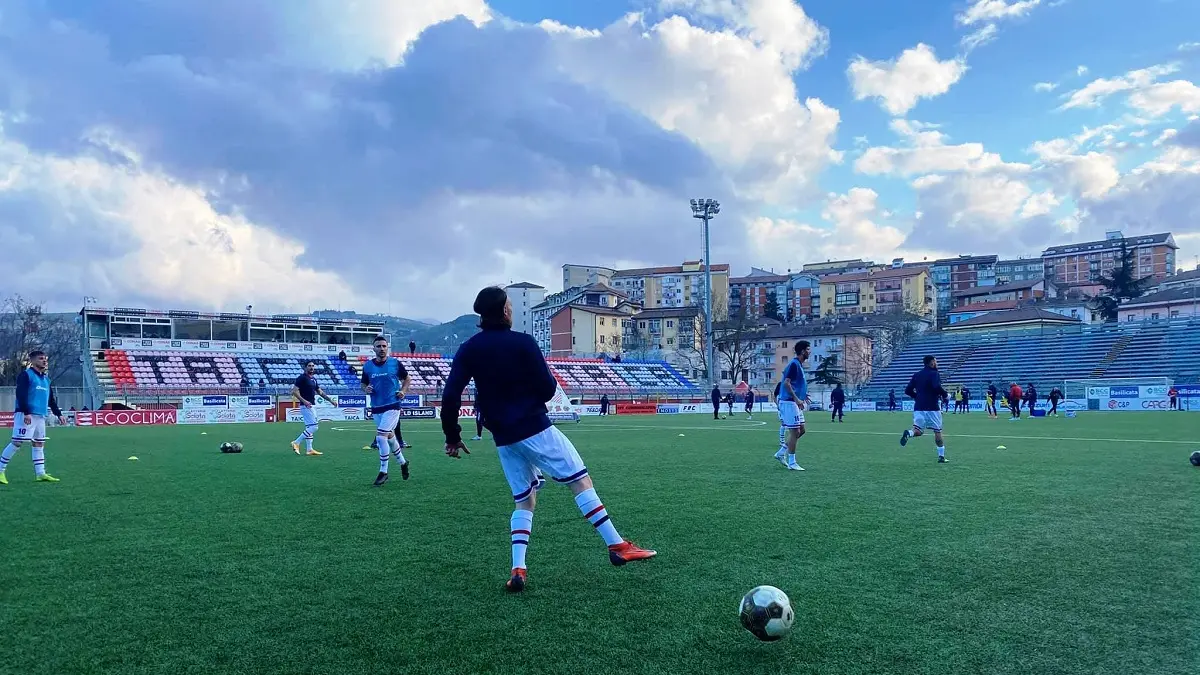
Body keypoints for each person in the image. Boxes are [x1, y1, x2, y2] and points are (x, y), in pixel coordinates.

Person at [440, 286, 655, 593]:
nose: (512, 310)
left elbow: (450, 395)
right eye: (510, 306)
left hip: (504, 437)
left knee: (524, 500)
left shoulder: (468, 349)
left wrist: (452, 436)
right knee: (580, 481)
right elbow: (547, 389)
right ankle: (617, 546)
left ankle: (518, 568)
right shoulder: (523, 343)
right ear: (505, 311)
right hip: (535, 428)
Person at [0, 351, 65, 485]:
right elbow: (21, 394)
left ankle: (40, 474)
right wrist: (26, 412)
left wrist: (58, 414)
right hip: (26, 414)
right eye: (41, 359)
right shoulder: (26, 375)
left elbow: (51, 400)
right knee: (17, 442)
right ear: (33, 360)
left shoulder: (46, 379)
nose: (44, 361)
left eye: (45, 359)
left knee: (39, 443)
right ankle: (1, 470)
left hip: (40, 416)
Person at [362, 336, 412, 486]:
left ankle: (383, 472)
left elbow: (407, 379)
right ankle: (403, 462)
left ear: (387, 347)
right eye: (378, 346)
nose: (382, 349)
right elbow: (363, 384)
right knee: (389, 437)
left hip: (392, 405)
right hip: (376, 407)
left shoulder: (395, 363)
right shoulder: (367, 366)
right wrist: (366, 388)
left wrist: (403, 391)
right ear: (374, 349)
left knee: (380, 438)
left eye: (384, 346)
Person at [900, 355, 950, 463]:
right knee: (937, 431)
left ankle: (909, 433)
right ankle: (941, 457)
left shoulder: (917, 375)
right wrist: (945, 395)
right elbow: (936, 386)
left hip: (919, 407)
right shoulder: (934, 373)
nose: (937, 363)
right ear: (931, 363)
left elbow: (907, 390)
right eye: (936, 361)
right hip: (932, 407)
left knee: (918, 430)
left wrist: (917, 397)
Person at [773, 341, 810, 471]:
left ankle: (781, 453)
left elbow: (794, 383)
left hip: (794, 402)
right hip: (789, 402)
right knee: (795, 432)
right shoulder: (794, 364)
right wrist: (796, 398)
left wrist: (803, 395)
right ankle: (792, 463)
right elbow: (786, 383)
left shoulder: (798, 364)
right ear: (802, 351)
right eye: (808, 349)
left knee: (802, 430)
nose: (809, 352)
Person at [290, 361, 336, 456]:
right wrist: (304, 401)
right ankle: (296, 442)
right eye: (309, 366)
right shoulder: (302, 378)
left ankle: (309, 449)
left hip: (312, 405)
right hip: (306, 405)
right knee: (314, 427)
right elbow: (294, 391)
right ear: (305, 367)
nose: (311, 367)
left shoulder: (313, 379)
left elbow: (320, 392)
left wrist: (330, 400)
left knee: (309, 427)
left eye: (313, 366)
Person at [771, 381, 785, 456]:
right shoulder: (779, 393)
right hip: (781, 410)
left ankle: (783, 440)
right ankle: (782, 441)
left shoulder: (785, 392)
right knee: (783, 424)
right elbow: (774, 397)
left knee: (787, 425)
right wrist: (778, 405)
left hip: (786, 409)